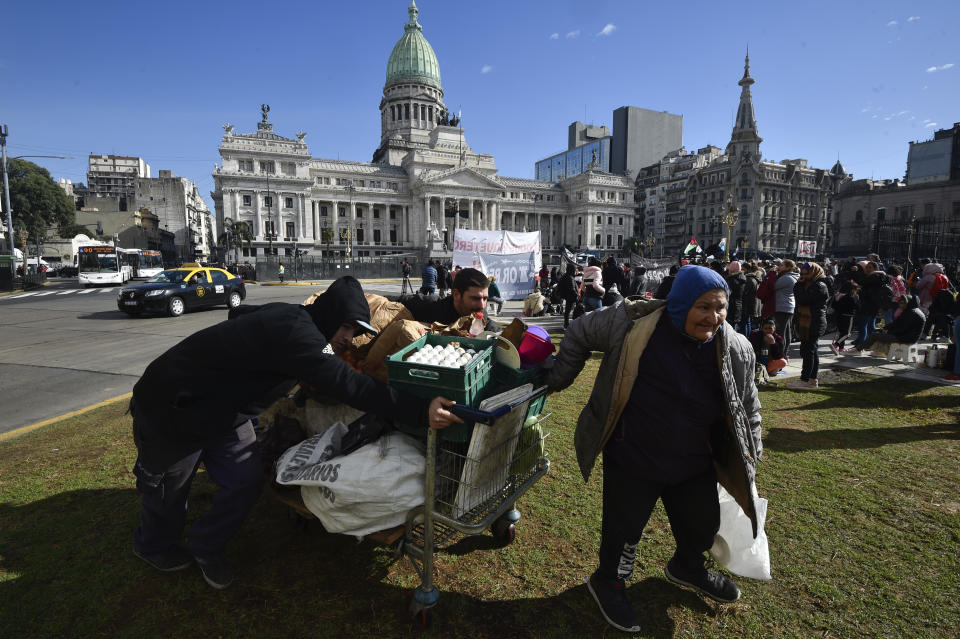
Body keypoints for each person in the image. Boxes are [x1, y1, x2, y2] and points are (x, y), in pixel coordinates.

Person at [130, 276, 462, 589]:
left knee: (244, 481)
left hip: (225, 413)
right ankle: (153, 545)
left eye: (355, 330)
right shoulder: (296, 331)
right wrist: (421, 410)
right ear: (330, 315)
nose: (348, 337)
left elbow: (242, 314)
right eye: (346, 327)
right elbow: (349, 384)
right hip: (173, 407)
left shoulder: (299, 321)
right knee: (168, 488)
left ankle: (206, 545)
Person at [547, 265, 762, 633]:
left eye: (721, 307)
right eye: (704, 307)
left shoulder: (735, 346)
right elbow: (580, 330)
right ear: (680, 304)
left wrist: (752, 449)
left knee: (702, 525)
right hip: (635, 453)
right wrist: (559, 376)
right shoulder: (631, 321)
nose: (714, 317)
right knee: (624, 531)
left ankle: (687, 567)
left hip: (694, 460)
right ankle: (608, 581)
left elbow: (748, 403)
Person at [400, 267, 500, 331]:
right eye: (475, 298)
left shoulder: (481, 315)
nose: (482, 305)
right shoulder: (434, 307)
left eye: (485, 298)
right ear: (456, 294)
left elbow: (492, 327)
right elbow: (397, 302)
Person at [787, 263, 830, 390]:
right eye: (803, 273)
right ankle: (812, 379)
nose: (804, 276)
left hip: (814, 322)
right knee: (811, 350)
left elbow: (802, 299)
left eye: (807, 273)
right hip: (809, 321)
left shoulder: (819, 285)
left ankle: (805, 379)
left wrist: (798, 285)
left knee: (808, 351)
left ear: (815, 272)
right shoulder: (811, 284)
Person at [858, 294, 925, 352]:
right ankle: (878, 351)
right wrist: (884, 328)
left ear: (908, 303)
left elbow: (903, 329)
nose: (900, 305)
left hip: (906, 338)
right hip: (908, 337)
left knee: (874, 335)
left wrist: (888, 332)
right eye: (900, 303)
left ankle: (858, 349)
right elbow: (896, 323)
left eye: (902, 303)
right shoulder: (911, 311)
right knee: (878, 332)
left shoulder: (911, 313)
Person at [852, 262, 889, 351]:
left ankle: (860, 347)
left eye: (870, 267)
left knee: (863, 325)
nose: (867, 269)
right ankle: (871, 344)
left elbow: (862, 282)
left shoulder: (874, 277)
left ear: (875, 269)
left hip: (867, 304)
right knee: (870, 325)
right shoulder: (882, 277)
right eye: (867, 267)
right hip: (874, 305)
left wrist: (855, 272)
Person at [773, 260, 799, 353]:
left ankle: (781, 353)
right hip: (788, 306)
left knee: (781, 332)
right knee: (786, 331)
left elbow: (773, 286)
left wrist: (773, 274)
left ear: (788, 267)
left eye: (782, 265)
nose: (779, 267)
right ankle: (785, 352)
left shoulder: (786, 278)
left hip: (783, 307)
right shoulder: (792, 276)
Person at [830, 282, 861, 354]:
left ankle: (841, 348)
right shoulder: (852, 298)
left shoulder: (842, 297)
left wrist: (835, 299)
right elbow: (858, 307)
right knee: (847, 334)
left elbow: (834, 306)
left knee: (842, 333)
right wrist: (857, 300)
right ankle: (835, 345)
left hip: (839, 316)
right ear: (853, 290)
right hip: (848, 317)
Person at [725, 261, 747, 334]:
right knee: (734, 326)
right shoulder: (742, 278)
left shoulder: (732, 279)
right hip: (738, 305)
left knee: (729, 328)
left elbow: (728, 293)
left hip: (731, 305)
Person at [743, 262, 763, 336]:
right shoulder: (757, 278)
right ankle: (749, 336)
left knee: (746, 322)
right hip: (755, 302)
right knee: (749, 322)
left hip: (749, 302)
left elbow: (745, 292)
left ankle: (747, 337)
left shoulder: (750, 279)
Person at [559, 264, 580, 329]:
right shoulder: (570, 278)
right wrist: (577, 296)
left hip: (568, 296)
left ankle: (567, 324)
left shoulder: (565, 276)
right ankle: (568, 324)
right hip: (571, 297)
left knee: (568, 311)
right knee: (569, 311)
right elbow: (572, 288)